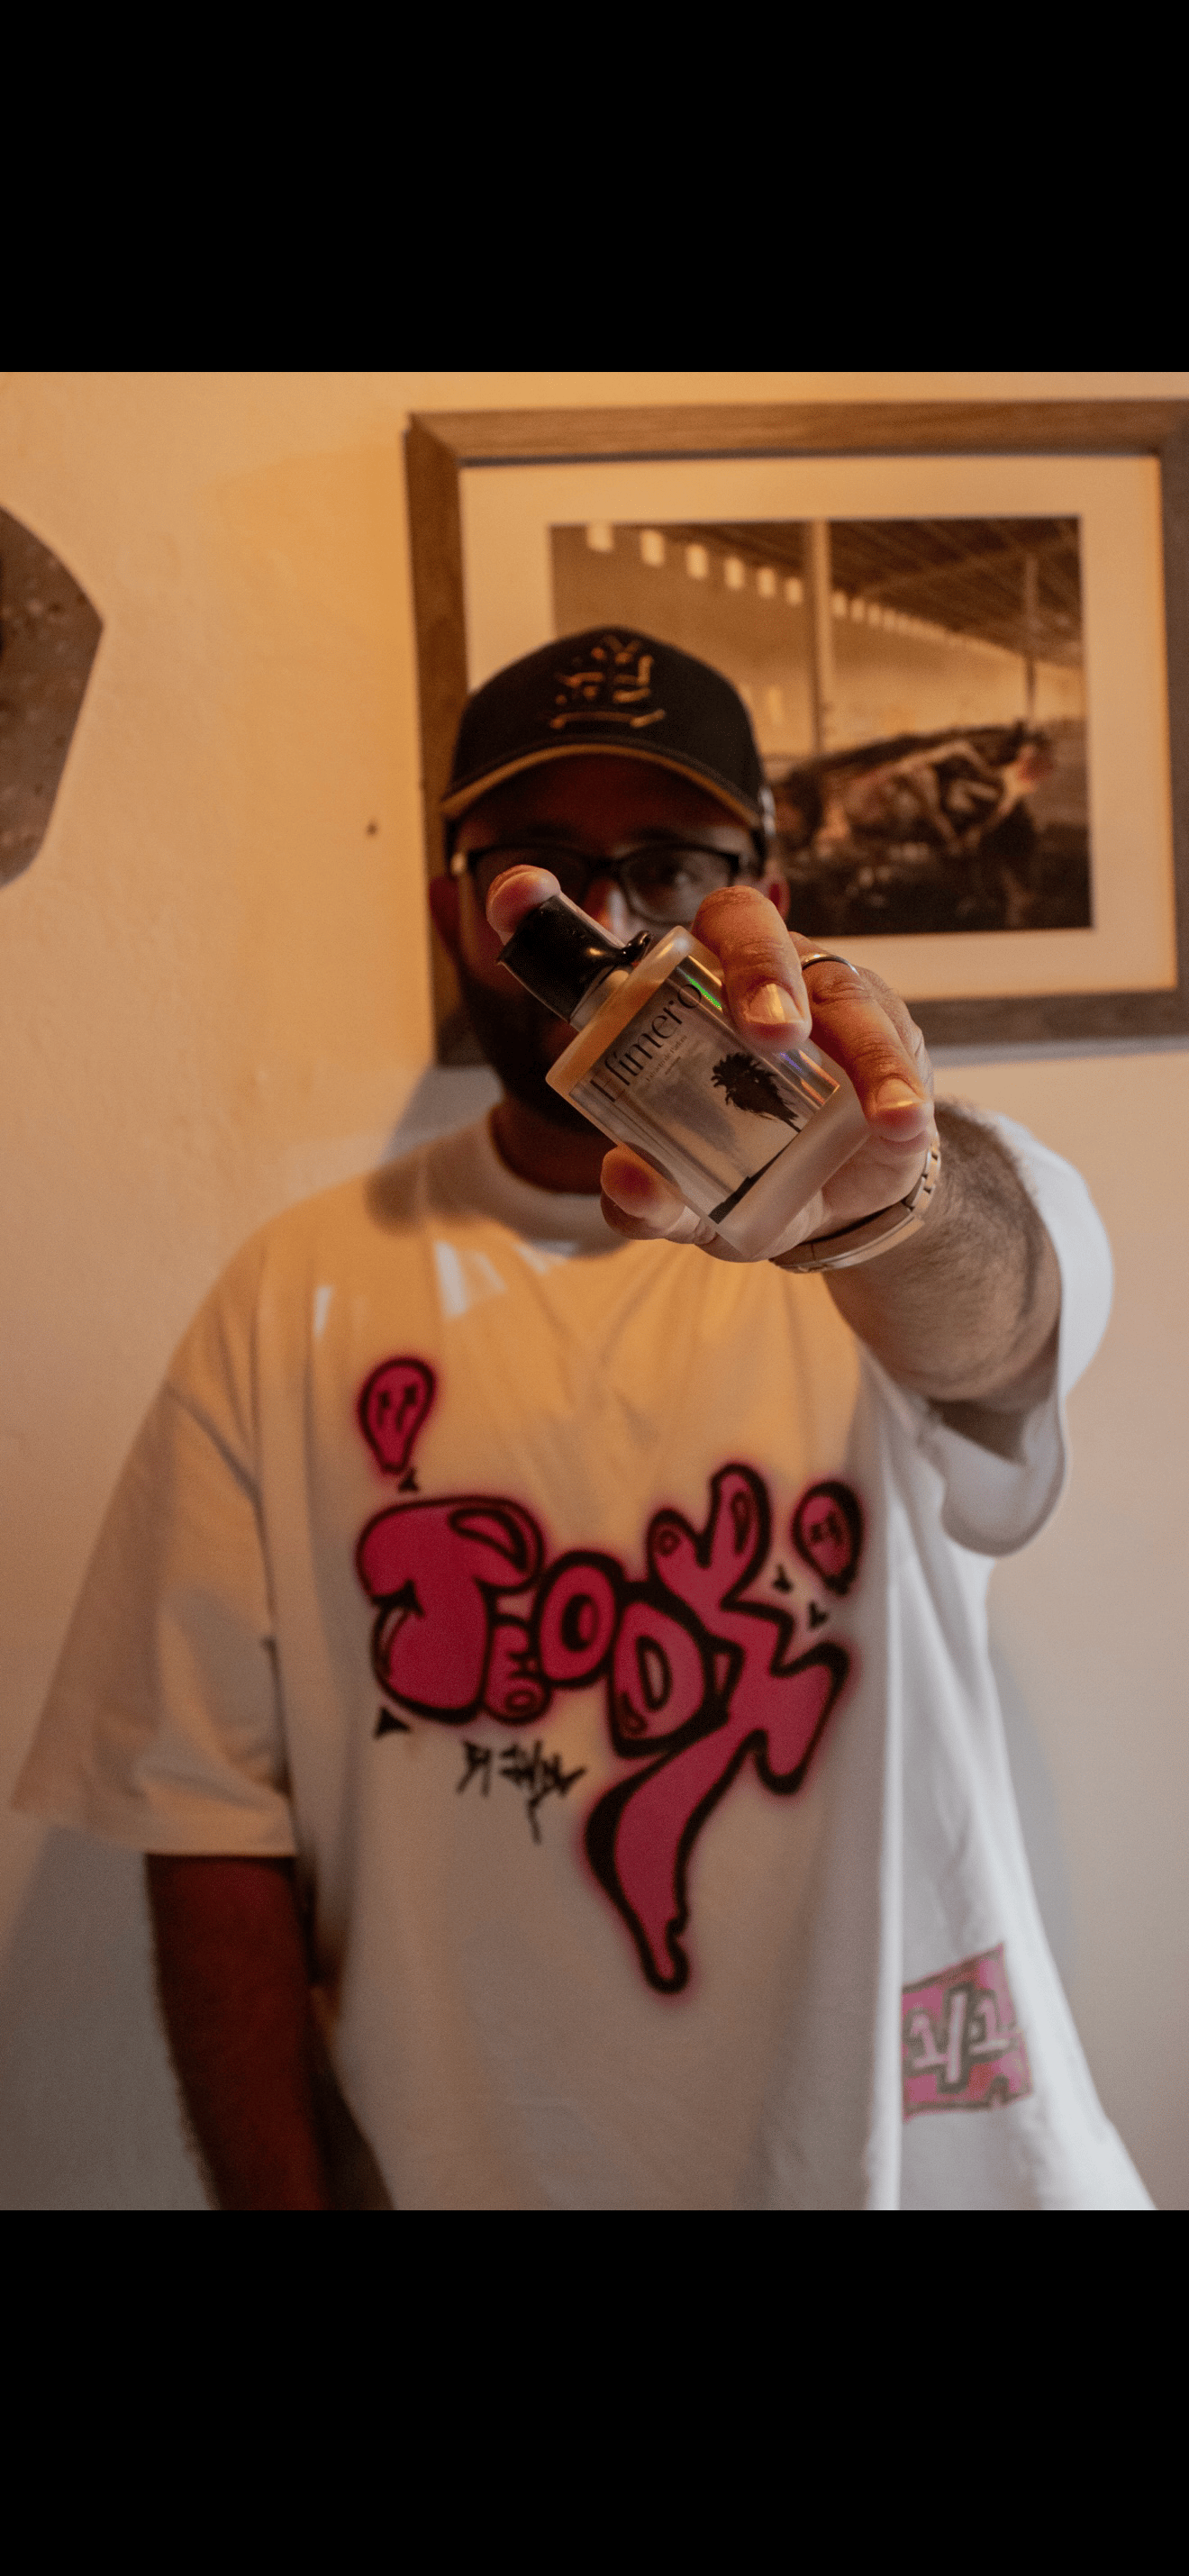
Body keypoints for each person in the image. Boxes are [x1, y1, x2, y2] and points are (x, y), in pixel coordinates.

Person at [14, 628, 1149, 2210]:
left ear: (764, 891)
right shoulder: (296, 1296)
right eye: (538, 867)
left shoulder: (894, 1194)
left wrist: (889, 1203)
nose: (607, 924)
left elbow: (999, 1326)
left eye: (670, 866)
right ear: (453, 906)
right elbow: (207, 1817)